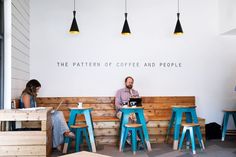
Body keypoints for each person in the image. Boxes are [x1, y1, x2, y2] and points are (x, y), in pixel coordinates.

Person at [20, 79, 74, 151]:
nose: (38, 91)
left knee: (59, 113)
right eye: (37, 89)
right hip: (31, 119)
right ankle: (65, 134)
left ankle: (63, 135)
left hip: (37, 116)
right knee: (56, 117)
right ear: (32, 87)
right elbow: (28, 111)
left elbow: (34, 109)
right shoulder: (26, 96)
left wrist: (44, 111)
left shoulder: (32, 96)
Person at [115, 76, 148, 146]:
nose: (130, 84)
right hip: (122, 112)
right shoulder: (119, 92)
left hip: (134, 111)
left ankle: (134, 137)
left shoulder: (135, 92)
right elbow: (117, 104)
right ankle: (137, 140)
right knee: (129, 119)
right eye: (129, 82)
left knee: (145, 118)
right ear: (125, 83)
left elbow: (139, 104)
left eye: (132, 82)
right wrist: (124, 107)